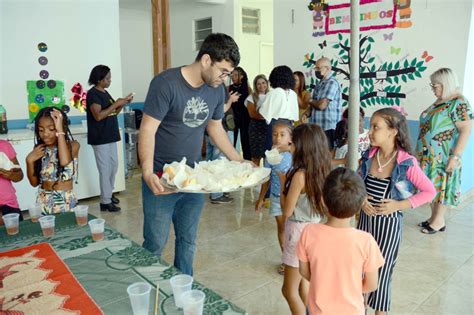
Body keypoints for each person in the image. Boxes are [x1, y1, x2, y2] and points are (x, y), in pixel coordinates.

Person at [139, 33, 242, 276]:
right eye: (224, 71)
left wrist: (239, 161)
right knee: (155, 242)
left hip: (194, 179)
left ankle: (183, 290)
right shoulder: (165, 84)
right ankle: (146, 288)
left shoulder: (216, 90)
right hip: (161, 177)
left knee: (187, 241)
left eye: (229, 73)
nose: (225, 78)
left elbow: (215, 127)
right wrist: (146, 172)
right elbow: (148, 129)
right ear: (206, 60)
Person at [358, 107, 436, 314]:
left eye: (376, 127)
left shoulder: (406, 163)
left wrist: (399, 205)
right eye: (370, 126)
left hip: (388, 227)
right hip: (364, 224)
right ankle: (360, 308)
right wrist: (361, 198)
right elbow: (356, 183)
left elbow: (429, 192)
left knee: (382, 273)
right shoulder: (368, 155)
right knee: (362, 270)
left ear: (393, 131)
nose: (370, 131)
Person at [297, 167, 385, 315]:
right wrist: (352, 288)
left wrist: (323, 284)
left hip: (317, 310)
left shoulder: (308, 232)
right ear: (358, 208)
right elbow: (372, 284)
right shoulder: (366, 241)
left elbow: (304, 272)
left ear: (323, 200)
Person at [280, 123, 331, 315]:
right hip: (314, 230)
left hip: (297, 232)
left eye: (292, 144)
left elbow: (286, 210)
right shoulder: (322, 170)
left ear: (302, 148)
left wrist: (284, 183)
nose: (290, 147)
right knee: (305, 285)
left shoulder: (299, 175)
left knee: (288, 290)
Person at [416, 68, 473, 234]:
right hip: (428, 155)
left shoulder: (459, 102)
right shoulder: (440, 101)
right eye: (432, 85)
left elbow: (466, 130)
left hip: (444, 155)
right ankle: (433, 217)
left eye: (436, 85)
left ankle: (439, 221)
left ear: (446, 84)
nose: (433, 89)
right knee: (430, 187)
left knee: (442, 187)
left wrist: (455, 156)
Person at [86, 65, 134, 212]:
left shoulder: (105, 93)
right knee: (105, 169)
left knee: (114, 165)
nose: (109, 81)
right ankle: (105, 201)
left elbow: (112, 113)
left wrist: (123, 103)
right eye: (107, 78)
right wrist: (116, 103)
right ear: (99, 80)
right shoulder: (93, 94)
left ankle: (109, 193)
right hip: (100, 137)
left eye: (110, 78)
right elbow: (99, 116)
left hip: (110, 135)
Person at [26, 107, 80, 214]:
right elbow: (34, 183)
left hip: (65, 201)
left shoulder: (73, 146)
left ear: (62, 128)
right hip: (43, 200)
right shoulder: (39, 150)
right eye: (41, 130)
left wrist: (59, 129)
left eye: (51, 129)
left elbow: (64, 161)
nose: (45, 134)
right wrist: (29, 160)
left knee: (66, 230)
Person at [255, 121, 293, 275]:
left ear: (290, 138)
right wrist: (261, 198)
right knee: (282, 227)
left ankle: (294, 260)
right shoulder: (270, 155)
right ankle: (286, 259)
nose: (278, 138)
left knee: (293, 229)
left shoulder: (294, 153)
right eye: (275, 134)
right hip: (276, 198)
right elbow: (267, 178)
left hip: (292, 198)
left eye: (282, 135)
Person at [205, 90, 240, 204]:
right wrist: (230, 100)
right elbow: (220, 111)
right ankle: (217, 194)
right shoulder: (216, 90)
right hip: (220, 132)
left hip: (209, 132)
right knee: (218, 164)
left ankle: (213, 190)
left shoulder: (208, 91)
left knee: (210, 163)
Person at [304, 57, 342, 149]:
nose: (316, 71)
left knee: (326, 157)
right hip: (317, 129)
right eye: (315, 68)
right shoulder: (319, 84)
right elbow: (315, 102)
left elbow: (321, 105)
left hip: (328, 128)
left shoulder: (332, 83)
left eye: (318, 68)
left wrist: (309, 100)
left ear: (328, 68)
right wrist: (306, 113)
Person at [259, 65, 299, 150]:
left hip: (275, 125)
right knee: (286, 150)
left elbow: (263, 112)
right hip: (289, 126)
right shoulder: (293, 94)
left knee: (272, 151)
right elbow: (295, 116)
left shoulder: (273, 93)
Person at [245, 74, 270, 166]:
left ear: (267, 84)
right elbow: (253, 114)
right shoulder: (251, 98)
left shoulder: (271, 96)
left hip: (268, 128)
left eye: (263, 83)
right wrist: (267, 115)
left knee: (268, 156)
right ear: (255, 85)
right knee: (256, 157)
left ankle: (268, 180)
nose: (261, 85)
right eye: (258, 84)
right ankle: (256, 178)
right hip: (256, 129)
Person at [229, 67, 252, 160]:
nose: (233, 77)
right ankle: (231, 161)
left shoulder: (248, 89)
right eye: (232, 75)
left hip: (245, 118)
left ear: (242, 76)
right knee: (231, 141)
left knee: (245, 141)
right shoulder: (229, 88)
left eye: (236, 75)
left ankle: (247, 161)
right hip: (232, 118)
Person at [0, 140, 24, 222]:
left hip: (9, 204)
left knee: (19, 233)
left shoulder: (4, 145)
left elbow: (20, 175)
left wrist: (11, 175)